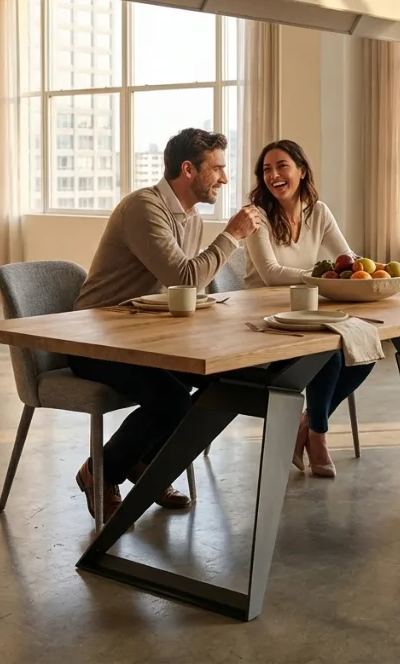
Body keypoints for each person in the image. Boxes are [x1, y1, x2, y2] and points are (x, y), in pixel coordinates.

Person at [69, 128, 262, 525]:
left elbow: (188, 289)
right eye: (218, 169)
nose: (224, 179)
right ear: (188, 169)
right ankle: (101, 471)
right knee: (172, 399)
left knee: (222, 381)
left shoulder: (189, 216)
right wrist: (232, 236)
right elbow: (186, 278)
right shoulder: (144, 207)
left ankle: (152, 466)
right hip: (96, 339)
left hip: (148, 335)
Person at [244, 139, 375, 478]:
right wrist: (321, 275)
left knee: (367, 347)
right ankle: (319, 437)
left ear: (301, 171)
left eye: (282, 166)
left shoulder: (318, 211)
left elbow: (347, 259)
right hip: (263, 319)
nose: (274, 175)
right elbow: (271, 274)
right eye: (267, 169)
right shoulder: (255, 217)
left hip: (309, 312)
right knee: (328, 352)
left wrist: (372, 271)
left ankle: (310, 422)